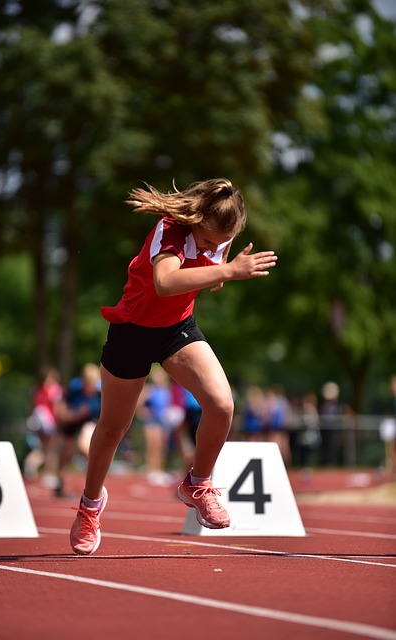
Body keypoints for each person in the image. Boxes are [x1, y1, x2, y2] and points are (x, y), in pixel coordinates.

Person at [69, 177, 277, 555]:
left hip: (176, 329)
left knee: (222, 404)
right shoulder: (170, 230)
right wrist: (227, 272)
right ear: (196, 219)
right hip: (132, 329)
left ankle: (197, 483)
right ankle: (89, 506)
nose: (217, 248)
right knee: (113, 427)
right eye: (211, 241)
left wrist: (220, 267)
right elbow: (165, 282)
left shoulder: (222, 234)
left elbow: (208, 267)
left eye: (222, 243)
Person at [54, 363, 101, 497]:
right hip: (72, 422)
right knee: (65, 453)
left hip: (90, 422)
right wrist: (72, 416)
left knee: (83, 444)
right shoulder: (74, 390)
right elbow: (62, 408)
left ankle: (94, 478)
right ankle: (61, 483)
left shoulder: (99, 394)